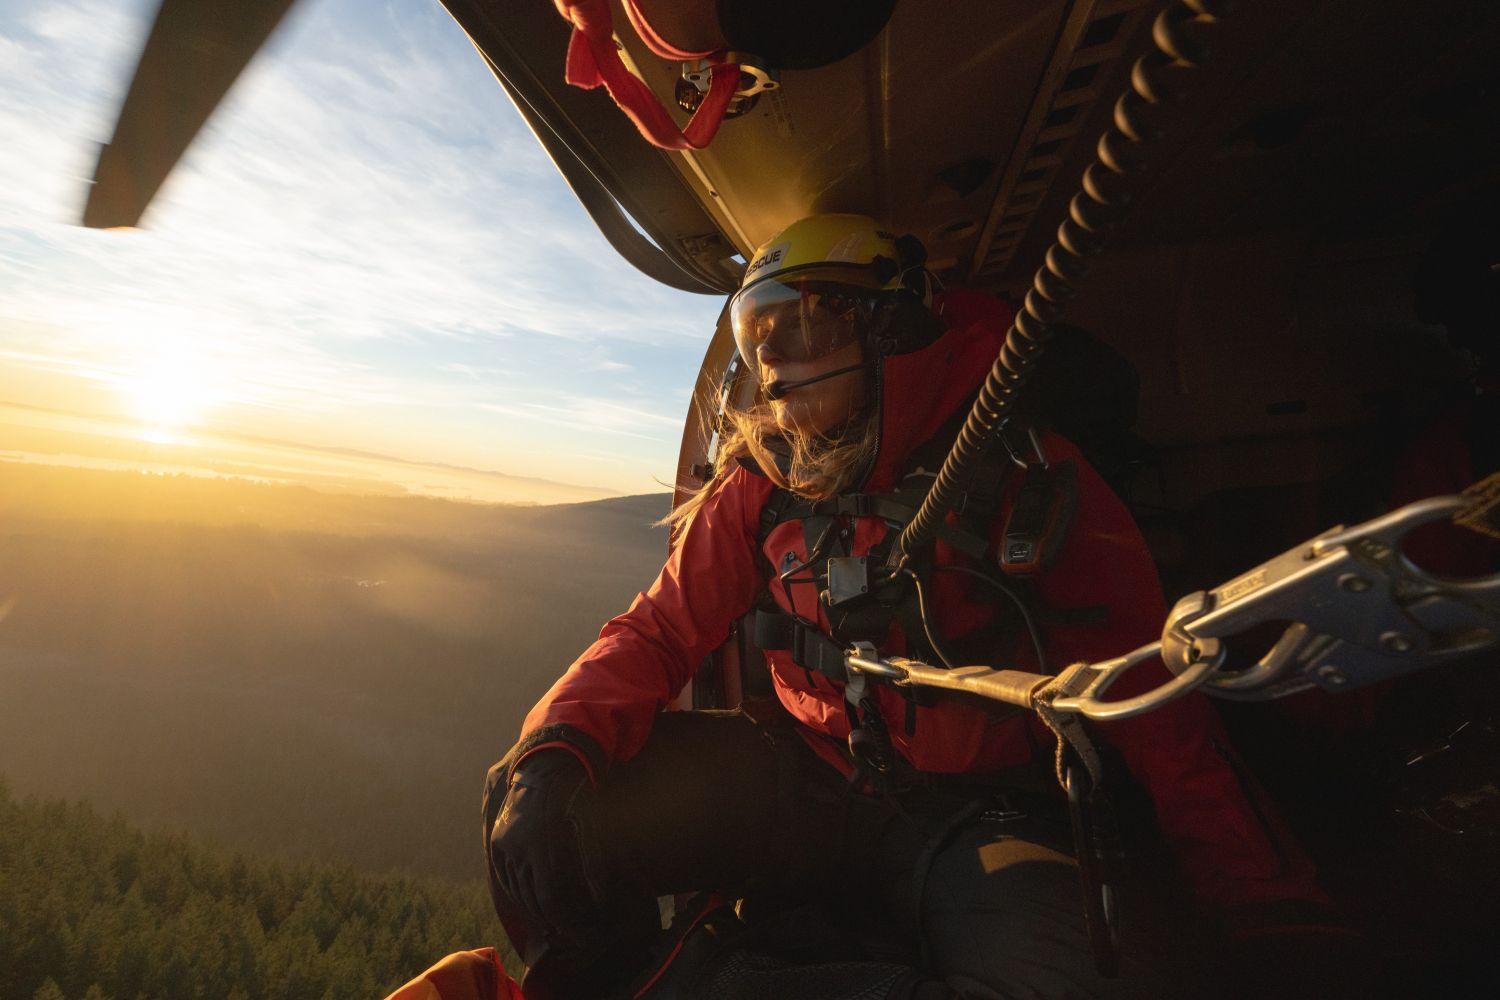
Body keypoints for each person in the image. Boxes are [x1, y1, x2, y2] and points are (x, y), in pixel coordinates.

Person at [480, 214, 1354, 1000]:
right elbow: (661, 629)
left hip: (987, 814)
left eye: (803, 324)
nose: (774, 361)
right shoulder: (761, 485)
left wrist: (1266, 901)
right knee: (544, 806)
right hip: (808, 782)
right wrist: (559, 746)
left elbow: (1154, 701)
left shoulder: (1026, 473)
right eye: (760, 337)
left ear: (888, 327)